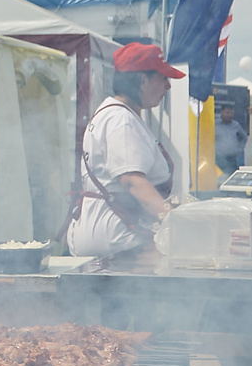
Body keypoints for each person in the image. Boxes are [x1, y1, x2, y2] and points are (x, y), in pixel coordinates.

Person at [64, 43, 185, 258]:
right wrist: (174, 220)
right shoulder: (121, 119)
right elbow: (132, 180)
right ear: (142, 80)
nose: (168, 86)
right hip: (118, 239)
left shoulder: (116, 114)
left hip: (110, 234)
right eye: (163, 78)